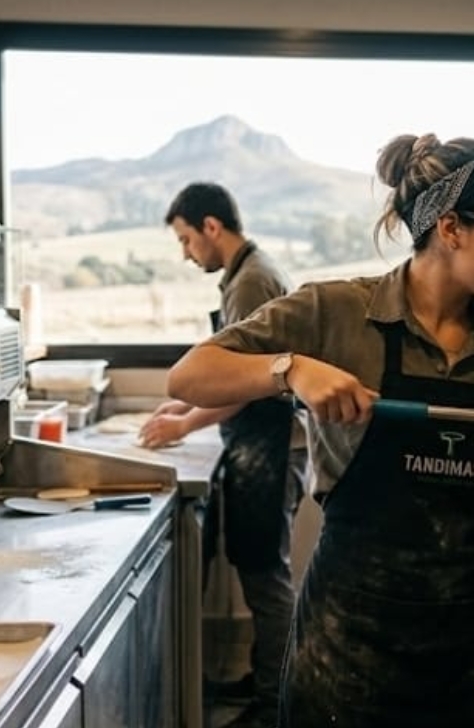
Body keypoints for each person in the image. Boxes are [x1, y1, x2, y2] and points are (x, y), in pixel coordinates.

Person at [166, 135, 474, 728]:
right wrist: (292, 368)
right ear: (450, 227)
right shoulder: (336, 313)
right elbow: (189, 377)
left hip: (470, 646)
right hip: (349, 643)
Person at [140, 182, 307, 728]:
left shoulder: (253, 281)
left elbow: (246, 382)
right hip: (258, 444)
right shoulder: (246, 274)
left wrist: (187, 421)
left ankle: (272, 705)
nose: (187, 254)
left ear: (212, 227)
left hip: (273, 445)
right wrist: (184, 403)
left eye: (187, 240)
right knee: (259, 571)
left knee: (265, 577)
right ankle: (266, 679)